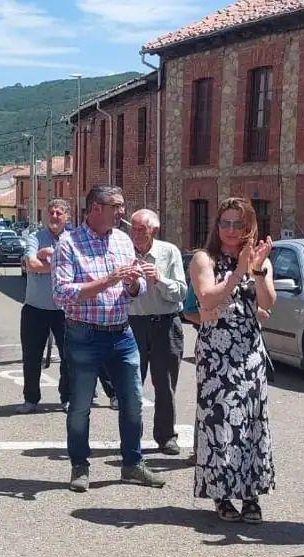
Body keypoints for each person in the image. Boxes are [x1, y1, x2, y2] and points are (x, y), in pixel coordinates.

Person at [52, 185, 164, 492]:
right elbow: (63, 294)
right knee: (80, 405)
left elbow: (137, 289)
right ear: (95, 208)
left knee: (133, 402)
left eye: (122, 206)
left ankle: (132, 464)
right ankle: (79, 465)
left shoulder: (123, 241)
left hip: (121, 333)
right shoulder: (68, 243)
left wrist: (131, 285)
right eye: (116, 206)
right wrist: (108, 280)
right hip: (84, 335)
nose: (122, 212)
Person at [188, 197, 275, 523]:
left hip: (249, 354)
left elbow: (268, 303)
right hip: (216, 355)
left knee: (251, 424)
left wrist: (256, 270)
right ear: (217, 225)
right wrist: (239, 270)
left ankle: (251, 495)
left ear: (249, 226)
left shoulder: (258, 260)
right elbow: (208, 297)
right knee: (220, 425)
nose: (230, 229)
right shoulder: (203, 258)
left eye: (237, 224)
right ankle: (222, 495)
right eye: (224, 223)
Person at [126, 208, 188, 456]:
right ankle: (131, 437)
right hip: (132, 324)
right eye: (133, 228)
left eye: (142, 229)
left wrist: (160, 280)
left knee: (165, 384)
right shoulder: (123, 251)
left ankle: (166, 437)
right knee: (131, 385)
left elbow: (182, 292)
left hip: (165, 323)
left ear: (154, 230)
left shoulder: (169, 251)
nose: (136, 233)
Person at [19, 198, 71, 413]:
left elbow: (76, 268)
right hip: (35, 308)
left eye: (59, 213)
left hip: (64, 310)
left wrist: (46, 257)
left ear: (67, 216)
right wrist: (60, 266)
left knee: (69, 356)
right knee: (31, 357)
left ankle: (67, 397)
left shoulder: (74, 239)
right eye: (51, 212)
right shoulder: (35, 237)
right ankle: (31, 399)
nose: (54, 216)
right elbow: (30, 264)